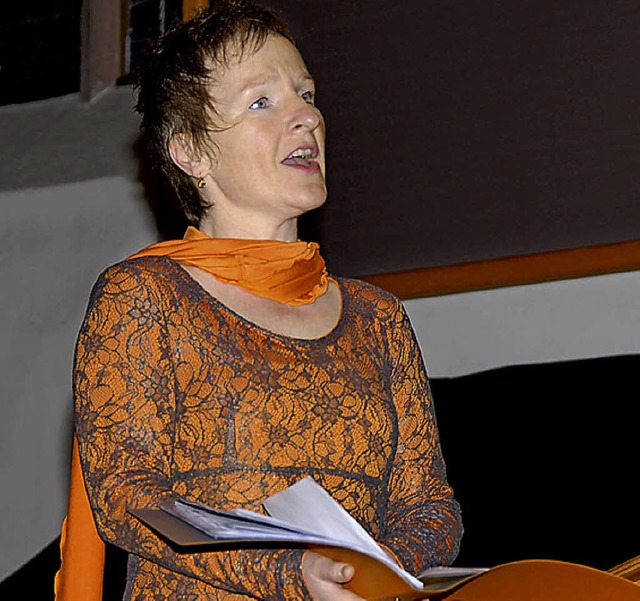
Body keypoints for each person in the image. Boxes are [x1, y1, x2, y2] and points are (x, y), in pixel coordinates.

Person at [72, 1, 463, 599]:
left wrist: (371, 570)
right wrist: (289, 575)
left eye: (306, 94)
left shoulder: (378, 317)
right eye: (262, 101)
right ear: (192, 152)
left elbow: (430, 505)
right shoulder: (145, 296)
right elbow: (127, 497)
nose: (306, 116)